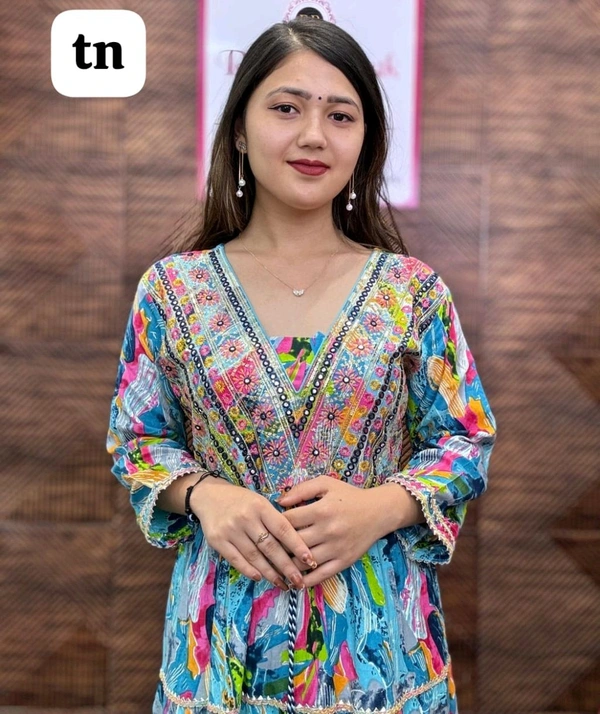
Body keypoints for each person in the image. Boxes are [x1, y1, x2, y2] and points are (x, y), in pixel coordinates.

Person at [107, 16, 497, 714]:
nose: (314, 135)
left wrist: (379, 508)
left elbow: (465, 442)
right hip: (218, 660)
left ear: (365, 140)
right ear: (239, 129)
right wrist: (204, 495)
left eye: (340, 115)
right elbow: (137, 442)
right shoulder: (171, 291)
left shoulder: (413, 292)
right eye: (286, 108)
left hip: (383, 658)